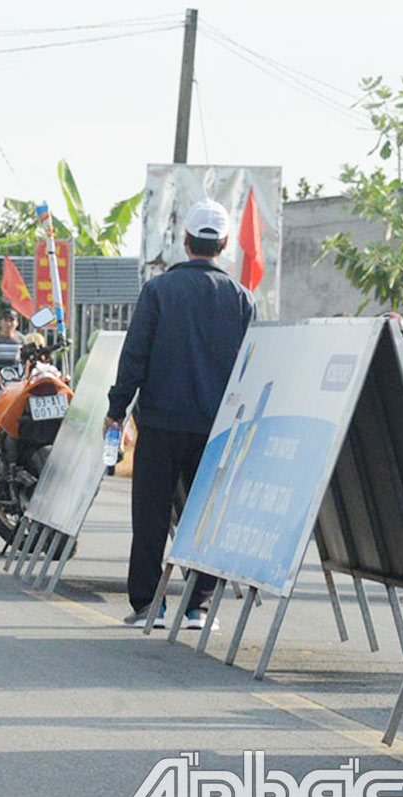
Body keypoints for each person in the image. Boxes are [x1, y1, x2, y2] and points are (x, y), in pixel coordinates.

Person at [106, 199, 255, 629]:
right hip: (215, 427)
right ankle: (199, 606)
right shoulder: (242, 299)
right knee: (204, 513)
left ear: (185, 241)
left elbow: (134, 355)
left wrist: (117, 409)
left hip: (160, 422)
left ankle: (148, 605)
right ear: (223, 244)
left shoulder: (157, 291)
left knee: (151, 515)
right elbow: (250, 365)